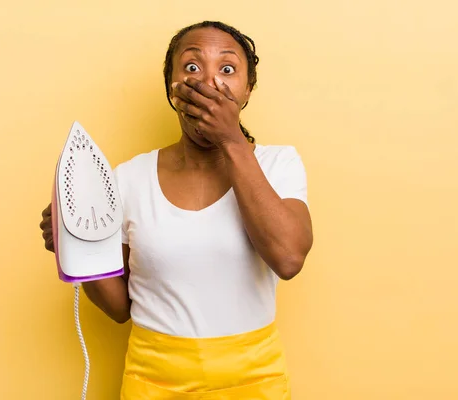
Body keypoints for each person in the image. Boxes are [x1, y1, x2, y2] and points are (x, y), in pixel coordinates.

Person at [39, 20, 313, 399]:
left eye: (228, 69)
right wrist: (76, 247)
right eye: (192, 67)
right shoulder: (127, 179)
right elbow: (120, 308)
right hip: (152, 383)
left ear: (247, 91)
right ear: (172, 86)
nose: (209, 82)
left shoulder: (279, 164)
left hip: (254, 384)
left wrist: (230, 139)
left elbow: (288, 258)